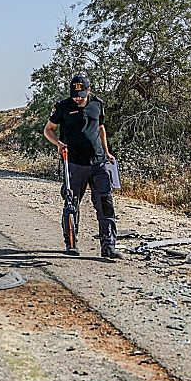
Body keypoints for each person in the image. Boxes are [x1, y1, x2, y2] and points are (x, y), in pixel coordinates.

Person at [43, 75, 120, 259]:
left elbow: (101, 129)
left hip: (98, 162)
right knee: (72, 203)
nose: (78, 98)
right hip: (74, 163)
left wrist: (107, 152)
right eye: (75, 94)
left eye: (82, 95)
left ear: (89, 91)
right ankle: (71, 242)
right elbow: (48, 129)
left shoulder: (97, 104)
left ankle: (108, 246)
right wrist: (59, 144)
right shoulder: (62, 107)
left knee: (105, 203)